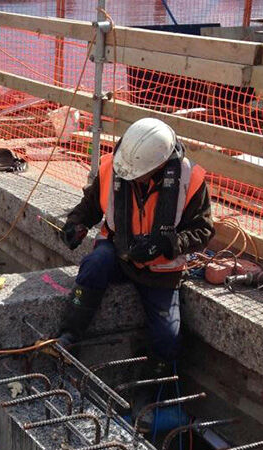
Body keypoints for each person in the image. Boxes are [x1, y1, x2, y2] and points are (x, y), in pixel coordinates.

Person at [58, 117, 214, 376]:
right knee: (95, 264)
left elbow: (203, 230)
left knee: (168, 338)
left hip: (161, 271)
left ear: (161, 164)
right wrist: (75, 224)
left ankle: (159, 391)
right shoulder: (112, 167)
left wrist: (169, 244)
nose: (134, 178)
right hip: (118, 253)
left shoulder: (191, 179)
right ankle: (68, 335)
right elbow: (90, 207)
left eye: (140, 175)